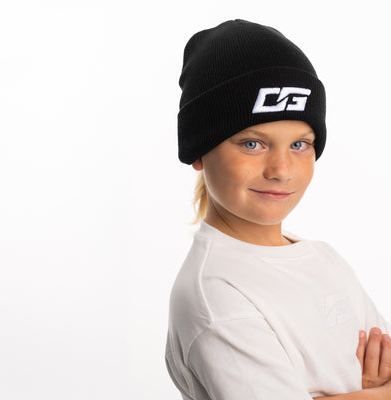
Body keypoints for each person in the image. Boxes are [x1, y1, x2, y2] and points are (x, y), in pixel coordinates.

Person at [165, 19, 391, 400]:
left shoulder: (324, 260)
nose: (281, 170)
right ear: (199, 150)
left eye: (300, 145)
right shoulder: (215, 294)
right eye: (252, 144)